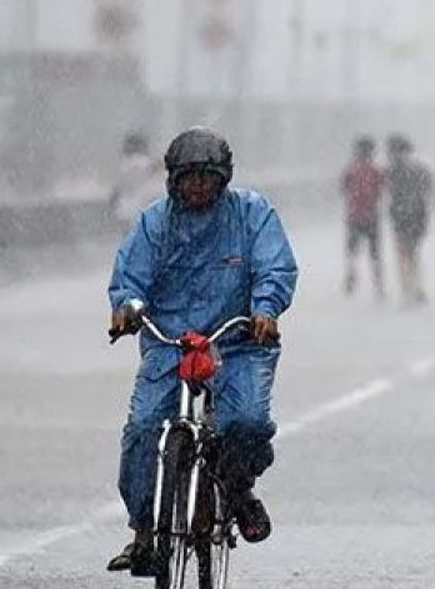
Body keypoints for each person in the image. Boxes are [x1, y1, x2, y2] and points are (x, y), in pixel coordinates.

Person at [105, 127, 299, 575]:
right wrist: (126, 308)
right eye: (188, 178)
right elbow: (129, 277)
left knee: (246, 422)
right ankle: (143, 532)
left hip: (239, 343)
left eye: (206, 177)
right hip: (170, 344)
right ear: (173, 179)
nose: (197, 186)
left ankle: (237, 489)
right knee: (142, 430)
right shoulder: (155, 223)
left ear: (223, 179)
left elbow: (275, 265)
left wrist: (265, 309)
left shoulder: (252, 215)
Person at [384, 133, 434, 305]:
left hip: (401, 215)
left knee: (403, 252)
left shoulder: (392, 171)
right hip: (418, 215)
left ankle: (407, 287)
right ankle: (417, 286)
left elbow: (388, 193)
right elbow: (429, 190)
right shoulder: (421, 169)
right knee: (414, 253)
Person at [342, 135, 386, 299]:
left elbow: (344, 190)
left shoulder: (350, 171)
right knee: (375, 252)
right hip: (371, 216)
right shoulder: (377, 171)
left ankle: (351, 275)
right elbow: (381, 191)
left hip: (354, 215)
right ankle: (378, 283)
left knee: (352, 250)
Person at [110, 130, 161, 226]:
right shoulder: (149, 165)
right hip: (144, 215)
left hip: (129, 214)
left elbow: (117, 194)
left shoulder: (126, 166)